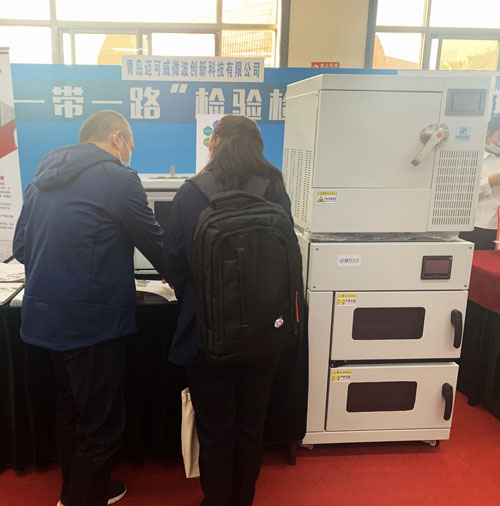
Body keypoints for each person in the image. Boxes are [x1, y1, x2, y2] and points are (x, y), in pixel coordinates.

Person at [13, 110, 164, 506]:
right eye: (130, 146)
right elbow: (157, 245)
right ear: (117, 138)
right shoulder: (119, 179)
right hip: (93, 323)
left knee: (70, 411)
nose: (129, 154)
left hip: (44, 320)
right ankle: (82, 498)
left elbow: (21, 249)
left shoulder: (40, 179)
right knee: (101, 423)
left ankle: (77, 491)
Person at [164, 114, 293, 506]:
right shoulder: (274, 188)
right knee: (251, 425)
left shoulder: (191, 192)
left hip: (207, 334)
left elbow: (173, 263)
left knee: (215, 427)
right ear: (258, 146)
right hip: (265, 332)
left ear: (214, 142)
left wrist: (198, 296)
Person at [460, 113, 500, 249]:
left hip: (498, 229)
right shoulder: (472, 158)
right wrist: (489, 182)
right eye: (499, 138)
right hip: (477, 227)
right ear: (488, 132)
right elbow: (461, 194)